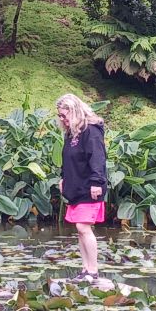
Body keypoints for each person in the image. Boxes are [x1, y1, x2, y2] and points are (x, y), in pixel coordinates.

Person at [56, 93, 107, 284]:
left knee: (83, 227)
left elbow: (97, 158)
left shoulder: (91, 130)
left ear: (74, 111)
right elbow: (67, 158)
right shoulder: (71, 133)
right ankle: (85, 268)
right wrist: (63, 178)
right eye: (60, 116)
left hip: (90, 185)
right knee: (79, 229)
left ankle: (93, 270)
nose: (62, 119)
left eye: (64, 115)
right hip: (75, 186)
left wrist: (96, 182)